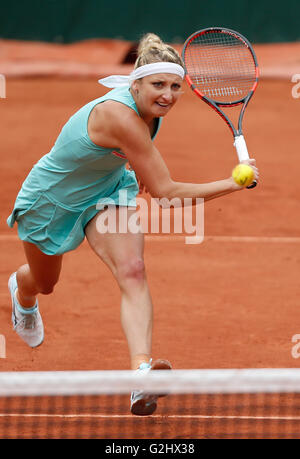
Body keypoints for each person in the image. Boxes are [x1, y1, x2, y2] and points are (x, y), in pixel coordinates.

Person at [7, 33, 259, 416]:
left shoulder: (147, 113)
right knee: (45, 283)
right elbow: (168, 194)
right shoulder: (121, 116)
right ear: (135, 83)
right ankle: (20, 293)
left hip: (107, 191)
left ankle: (141, 375)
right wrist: (233, 183)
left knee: (133, 270)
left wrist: (127, 162)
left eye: (175, 87)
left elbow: (134, 157)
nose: (168, 95)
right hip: (52, 200)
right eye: (158, 85)